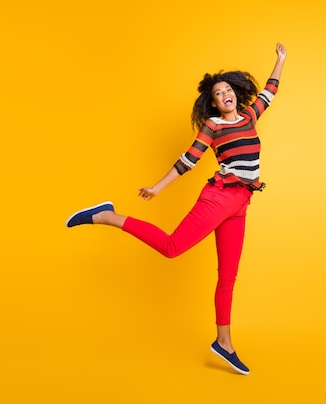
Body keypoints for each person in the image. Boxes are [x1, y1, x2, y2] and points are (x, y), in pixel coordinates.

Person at [66, 43, 287, 375]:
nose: (225, 94)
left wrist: (280, 60)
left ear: (235, 94)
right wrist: (157, 187)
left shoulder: (250, 114)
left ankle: (223, 343)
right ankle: (108, 215)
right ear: (212, 103)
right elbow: (188, 160)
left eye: (228, 89)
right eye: (218, 93)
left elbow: (270, 91)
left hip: (242, 202)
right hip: (219, 197)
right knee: (171, 247)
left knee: (228, 276)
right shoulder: (213, 126)